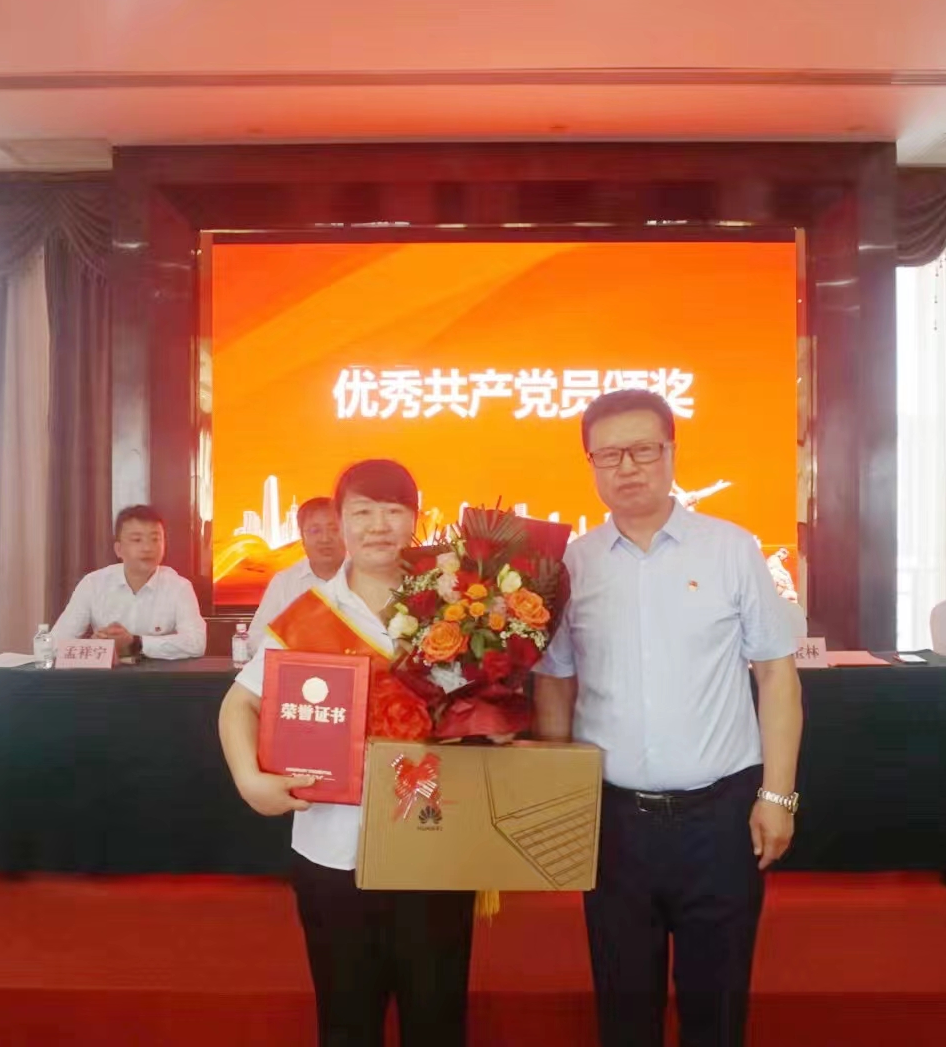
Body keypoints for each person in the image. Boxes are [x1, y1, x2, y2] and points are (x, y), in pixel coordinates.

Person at [532, 389, 803, 1047]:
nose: (626, 467)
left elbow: (775, 675)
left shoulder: (732, 549)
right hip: (614, 821)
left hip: (721, 818)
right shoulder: (571, 565)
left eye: (642, 450)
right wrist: (557, 800)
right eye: (608, 455)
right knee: (624, 1006)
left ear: (671, 453)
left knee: (718, 1005)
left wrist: (777, 796)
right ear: (590, 465)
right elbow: (555, 679)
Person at [218, 460, 474, 1047]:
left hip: (435, 846)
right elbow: (239, 705)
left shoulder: (459, 608)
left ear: (415, 518)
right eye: (363, 511)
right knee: (346, 1019)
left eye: (393, 511)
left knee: (437, 1020)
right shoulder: (309, 616)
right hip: (332, 850)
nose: (378, 525)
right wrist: (251, 782)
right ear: (340, 520)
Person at [51, 505, 207, 659]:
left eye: (155, 539)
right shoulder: (93, 584)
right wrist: (96, 647)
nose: (147, 548)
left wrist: (135, 643)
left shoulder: (179, 587)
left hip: (160, 674)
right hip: (108, 674)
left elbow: (196, 643)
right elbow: (55, 643)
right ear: (118, 549)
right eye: (137, 540)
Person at [245, 496, 346, 657]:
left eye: (334, 529)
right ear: (303, 539)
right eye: (315, 531)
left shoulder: (369, 578)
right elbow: (255, 640)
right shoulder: (285, 582)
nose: (325, 539)